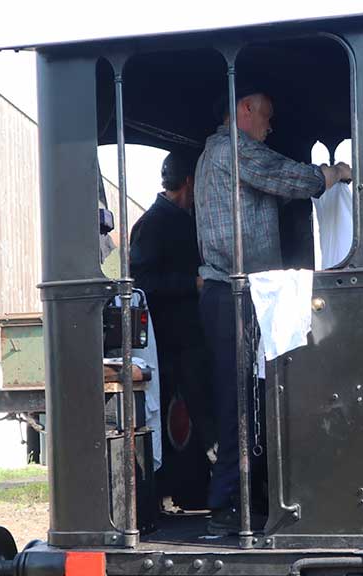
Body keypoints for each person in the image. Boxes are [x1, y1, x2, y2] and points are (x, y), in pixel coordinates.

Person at [195, 86, 350, 535]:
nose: (270, 126)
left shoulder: (218, 157)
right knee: (239, 402)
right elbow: (293, 179)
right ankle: (227, 507)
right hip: (236, 295)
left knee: (247, 398)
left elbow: (269, 194)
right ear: (244, 109)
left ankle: (246, 497)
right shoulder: (235, 151)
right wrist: (335, 173)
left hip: (237, 294)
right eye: (266, 116)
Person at [130, 151, 213, 511]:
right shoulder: (152, 224)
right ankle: (180, 490)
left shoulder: (181, 219)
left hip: (189, 337)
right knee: (176, 415)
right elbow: (143, 282)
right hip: (169, 341)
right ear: (189, 182)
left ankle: (193, 491)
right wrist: (190, 284)